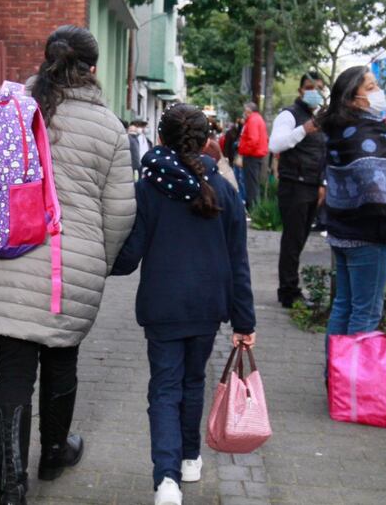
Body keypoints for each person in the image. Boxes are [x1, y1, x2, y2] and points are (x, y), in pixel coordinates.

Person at [0, 25, 136, 505]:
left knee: (11, 374)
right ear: (92, 69)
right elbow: (121, 212)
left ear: (45, 59)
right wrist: (95, 261)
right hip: (71, 264)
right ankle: (54, 452)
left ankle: (11, 489)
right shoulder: (108, 127)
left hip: (8, 258)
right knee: (62, 360)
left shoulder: (11, 109)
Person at [111, 104, 255, 505]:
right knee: (193, 383)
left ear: (160, 139)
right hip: (209, 306)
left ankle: (167, 480)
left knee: (164, 388)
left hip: (162, 305)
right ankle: (190, 459)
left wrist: (95, 261)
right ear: (208, 140)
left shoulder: (148, 187)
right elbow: (238, 263)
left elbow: (129, 257)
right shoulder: (224, 189)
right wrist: (245, 321)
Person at [317, 67, 386, 341]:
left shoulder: (338, 130)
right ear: (353, 98)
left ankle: (336, 379)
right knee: (366, 312)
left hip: (342, 230)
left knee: (343, 307)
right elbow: (375, 183)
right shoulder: (367, 132)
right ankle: (355, 381)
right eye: (370, 87)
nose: (378, 92)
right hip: (370, 234)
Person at [268, 71, 327, 308]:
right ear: (301, 90)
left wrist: (322, 183)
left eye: (320, 87)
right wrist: (304, 129)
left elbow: (322, 153)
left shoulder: (320, 119)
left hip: (312, 185)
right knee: (292, 240)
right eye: (311, 87)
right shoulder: (289, 115)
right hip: (294, 185)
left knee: (301, 239)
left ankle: (291, 287)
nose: (316, 92)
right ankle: (288, 291)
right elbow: (276, 145)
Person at [237, 103, 268, 210]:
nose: (244, 113)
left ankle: (253, 208)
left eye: (245, 111)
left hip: (252, 156)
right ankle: (254, 207)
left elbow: (253, 140)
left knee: (251, 184)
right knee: (253, 183)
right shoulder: (257, 119)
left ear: (249, 111)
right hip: (256, 155)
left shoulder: (252, 120)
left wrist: (244, 151)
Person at [220, 118, 247, 207]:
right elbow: (227, 145)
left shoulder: (240, 131)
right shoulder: (233, 132)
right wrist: (226, 156)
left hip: (237, 156)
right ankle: (239, 197)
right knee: (237, 177)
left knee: (239, 178)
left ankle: (240, 197)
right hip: (234, 156)